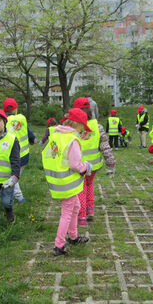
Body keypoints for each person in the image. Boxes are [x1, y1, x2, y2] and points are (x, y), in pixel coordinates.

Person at [42, 108, 92, 256]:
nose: (83, 130)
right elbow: (75, 164)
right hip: (67, 183)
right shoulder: (72, 140)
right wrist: (87, 167)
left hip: (56, 181)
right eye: (83, 126)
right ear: (78, 125)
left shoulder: (56, 135)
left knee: (76, 206)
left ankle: (73, 237)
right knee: (67, 213)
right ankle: (59, 245)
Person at [73, 97, 116, 226]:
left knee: (80, 188)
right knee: (89, 185)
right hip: (94, 165)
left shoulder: (73, 127)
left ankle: (81, 217)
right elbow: (105, 146)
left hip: (78, 166)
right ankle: (90, 210)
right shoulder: (97, 126)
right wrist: (111, 163)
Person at [3, 98, 35, 203]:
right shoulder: (22, 119)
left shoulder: (2, 121)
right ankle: (11, 193)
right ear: (16, 109)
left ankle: (19, 197)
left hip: (11, 157)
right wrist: (32, 140)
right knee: (15, 176)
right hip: (24, 156)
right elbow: (29, 133)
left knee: (13, 177)